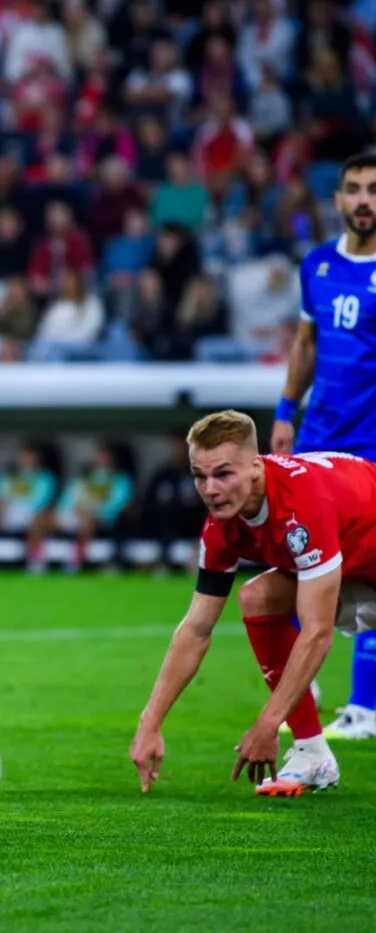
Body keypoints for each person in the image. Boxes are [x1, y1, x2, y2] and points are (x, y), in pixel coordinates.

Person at [130, 411, 376, 795]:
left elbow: (317, 631)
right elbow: (196, 628)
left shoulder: (301, 504)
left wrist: (266, 723)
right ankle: (312, 753)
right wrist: (150, 722)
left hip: (360, 560)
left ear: (256, 468)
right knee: (256, 596)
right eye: (200, 476)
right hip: (355, 567)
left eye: (223, 474)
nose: (210, 489)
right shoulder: (220, 526)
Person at [271, 152, 376, 741]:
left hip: (371, 444)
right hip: (317, 438)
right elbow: (306, 343)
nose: (365, 199)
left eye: (374, 190)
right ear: (337, 199)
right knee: (293, 557)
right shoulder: (316, 265)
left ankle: (365, 707)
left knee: (368, 568)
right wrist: (286, 411)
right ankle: (300, 691)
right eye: (354, 189)